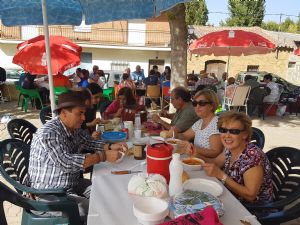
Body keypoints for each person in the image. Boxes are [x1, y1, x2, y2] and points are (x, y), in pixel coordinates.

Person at [28, 90, 127, 224]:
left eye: (84, 113)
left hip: (71, 184)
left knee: (106, 192)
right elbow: (66, 163)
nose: (84, 118)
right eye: (79, 113)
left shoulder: (73, 128)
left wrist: (110, 147)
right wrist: (103, 156)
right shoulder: (49, 133)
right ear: (64, 113)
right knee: (91, 209)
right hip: (49, 194)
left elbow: (89, 141)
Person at [201, 111, 273, 204]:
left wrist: (221, 175)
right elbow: (215, 162)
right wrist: (195, 154)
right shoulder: (231, 148)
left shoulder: (253, 157)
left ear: (245, 134)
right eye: (223, 130)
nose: (227, 135)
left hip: (251, 209)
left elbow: (250, 195)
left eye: (234, 131)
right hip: (229, 196)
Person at [175, 89, 223, 158]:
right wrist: (174, 134)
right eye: (195, 103)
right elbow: (185, 136)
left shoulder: (216, 123)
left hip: (207, 165)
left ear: (212, 105)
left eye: (202, 103)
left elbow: (215, 152)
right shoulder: (200, 122)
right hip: (195, 161)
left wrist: (193, 148)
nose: (197, 106)